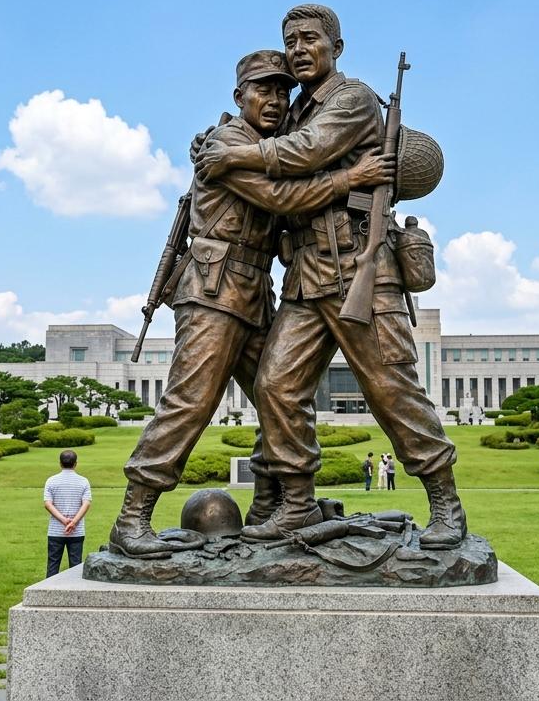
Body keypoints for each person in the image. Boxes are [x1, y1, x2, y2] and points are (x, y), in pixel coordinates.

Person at [196, 4, 466, 548]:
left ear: (335, 48)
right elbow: (280, 178)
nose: (298, 48)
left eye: (309, 39)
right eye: (290, 39)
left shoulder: (352, 100)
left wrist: (233, 155)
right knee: (276, 385)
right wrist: (220, 147)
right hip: (305, 274)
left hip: (361, 269)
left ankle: (446, 504)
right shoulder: (292, 112)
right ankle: (296, 504)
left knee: (391, 389)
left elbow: (307, 153)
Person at [108, 49, 393, 558]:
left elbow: (299, 168)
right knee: (190, 403)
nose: (276, 99)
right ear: (239, 96)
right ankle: (132, 519)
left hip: (256, 291)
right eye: (263, 89)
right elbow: (282, 199)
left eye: (284, 91)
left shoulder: (267, 145)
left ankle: (271, 507)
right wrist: (352, 178)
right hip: (214, 292)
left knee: (278, 396)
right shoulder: (226, 143)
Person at [44, 449, 92, 577]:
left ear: (60, 463)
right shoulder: (83, 481)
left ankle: (49, 592)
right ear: (75, 464)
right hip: (77, 530)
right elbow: (86, 503)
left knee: (53, 565)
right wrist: (74, 521)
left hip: (56, 530)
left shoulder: (51, 481)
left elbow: (48, 504)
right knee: (75, 567)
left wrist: (63, 520)